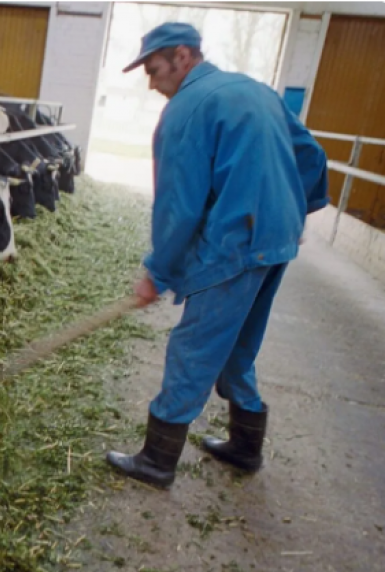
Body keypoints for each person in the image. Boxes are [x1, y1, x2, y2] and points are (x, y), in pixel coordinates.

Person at [106, 22, 329, 488]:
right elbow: (310, 155)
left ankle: (156, 460)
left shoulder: (186, 109)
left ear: (184, 56)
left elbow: (178, 205)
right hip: (276, 240)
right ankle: (246, 447)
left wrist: (157, 271)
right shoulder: (258, 91)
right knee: (238, 346)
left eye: (154, 68)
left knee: (193, 347)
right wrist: (294, 210)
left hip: (234, 243)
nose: (151, 82)